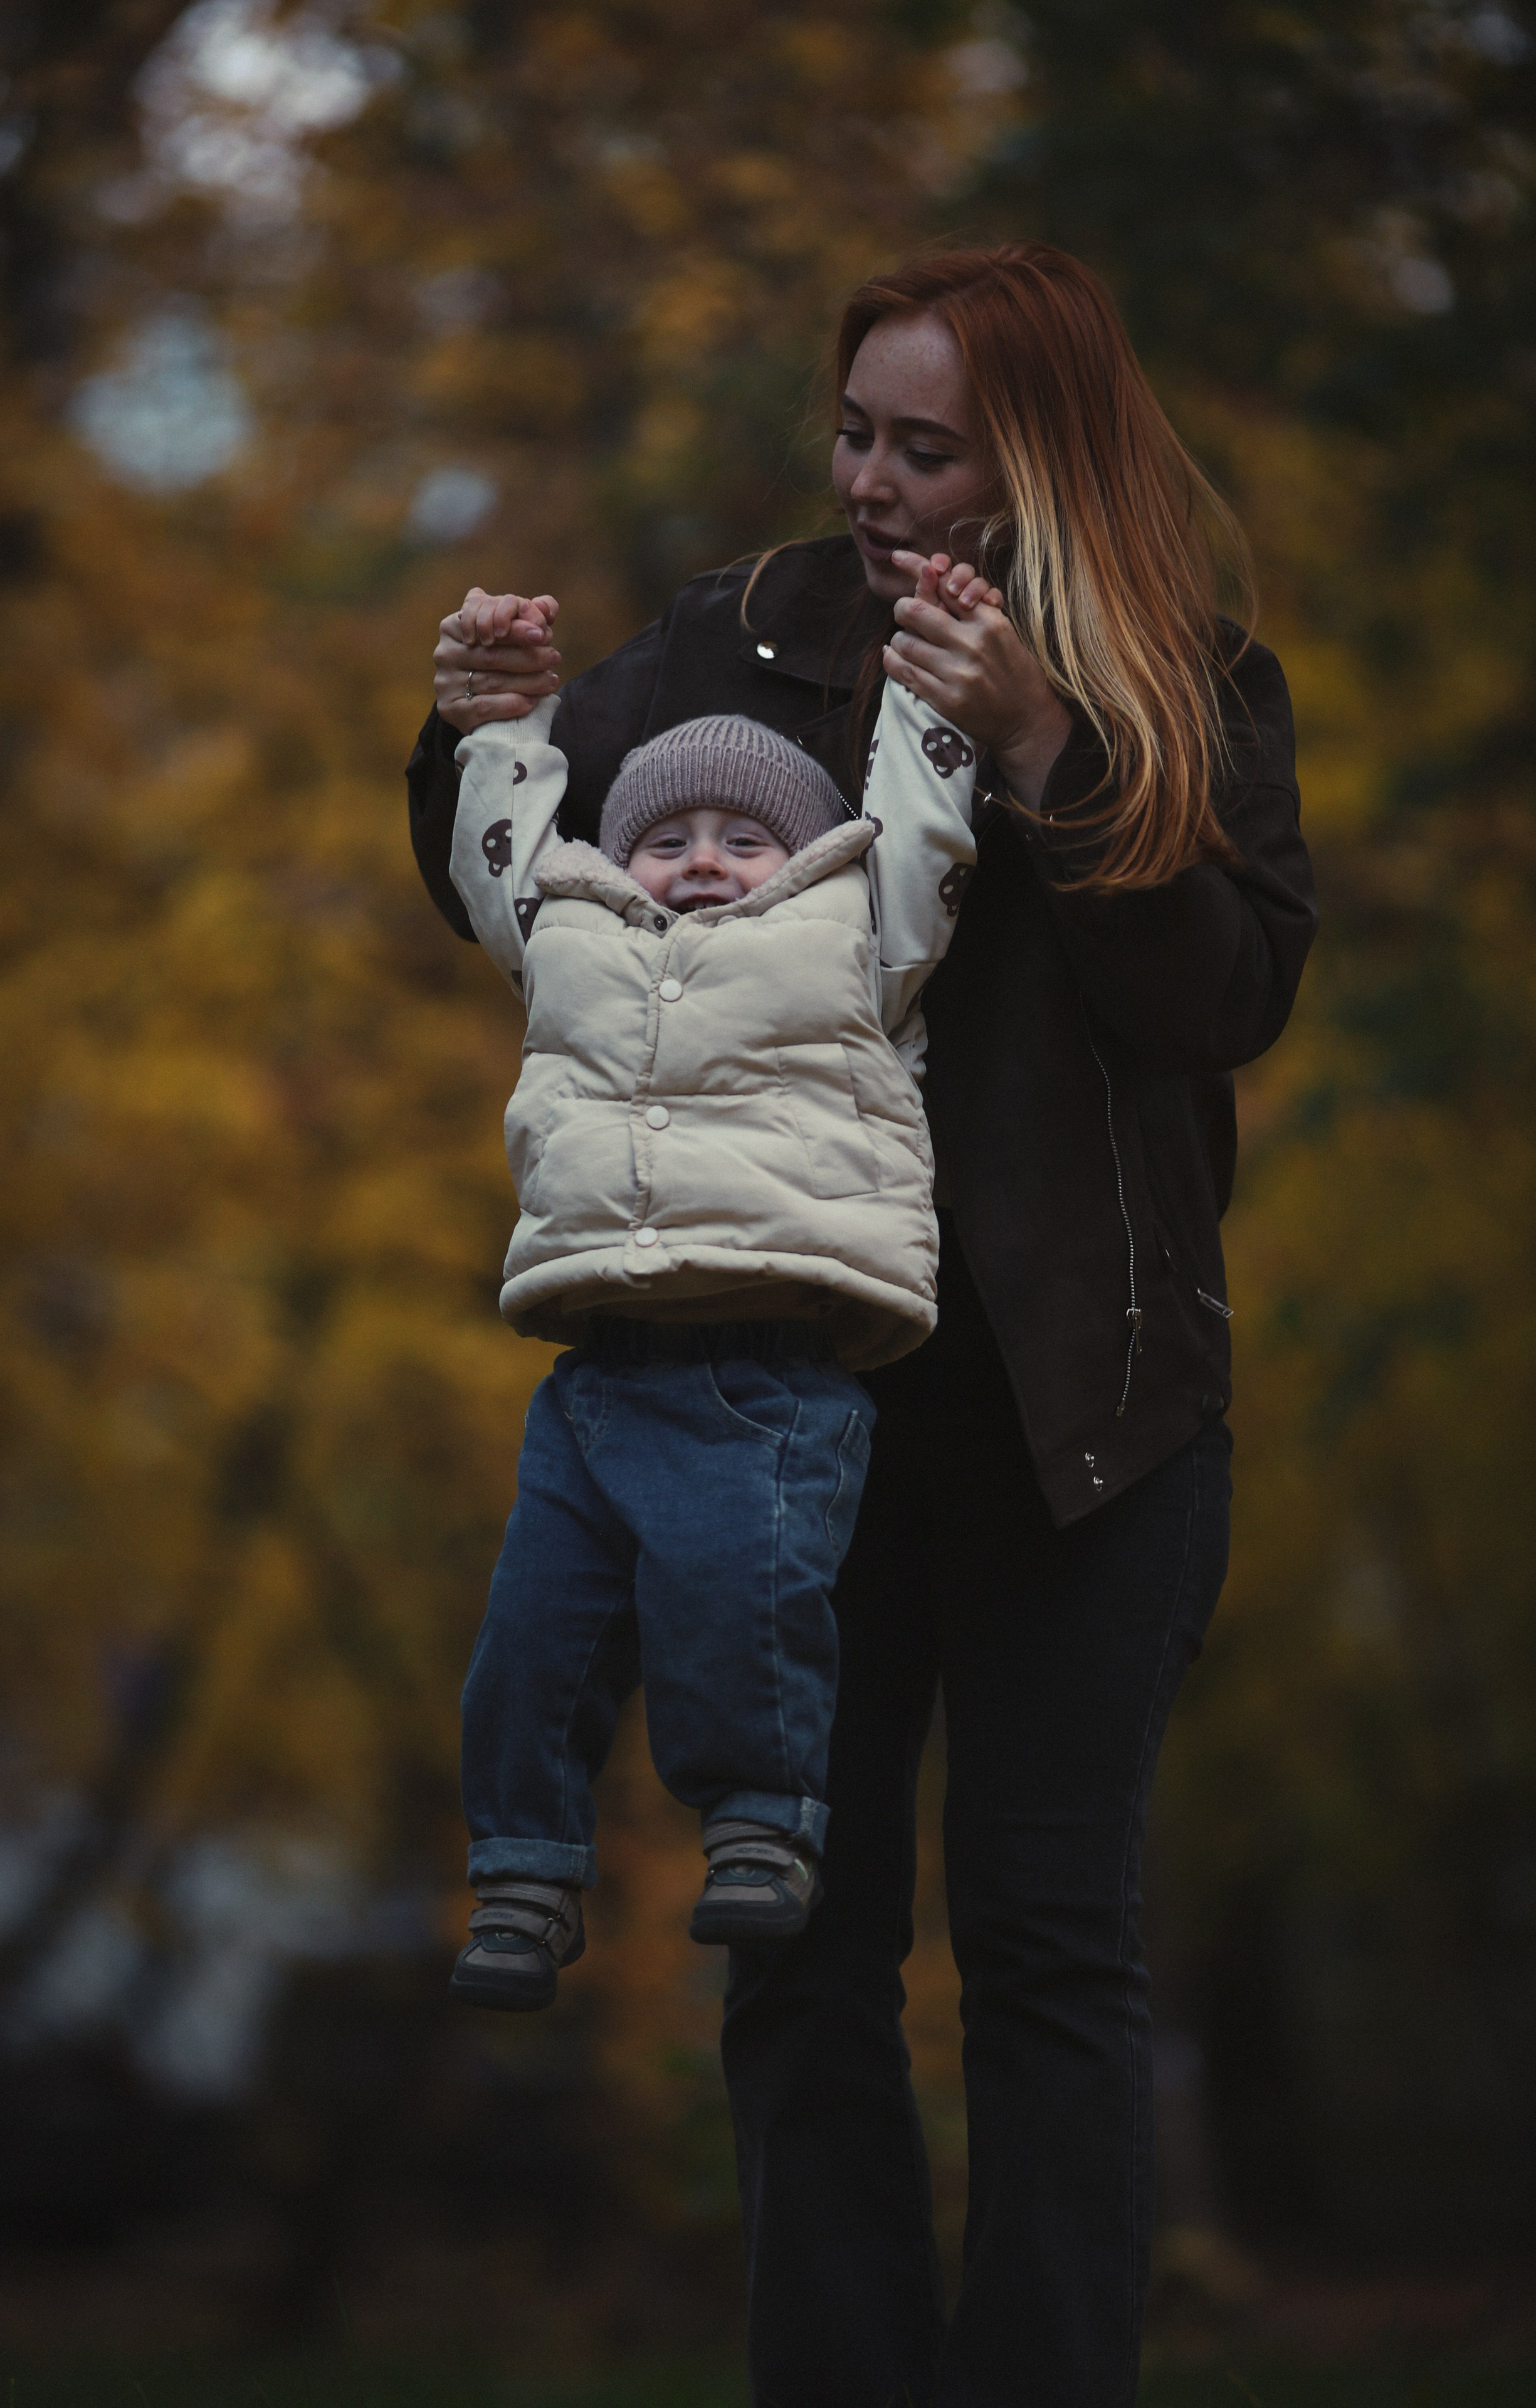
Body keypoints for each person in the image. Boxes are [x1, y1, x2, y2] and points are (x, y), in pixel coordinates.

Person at [407, 242, 1317, 2407]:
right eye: (859, 437)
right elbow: (522, 881)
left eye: (935, 451)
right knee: (800, 1960)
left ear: (1049, 459)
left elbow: (1225, 998)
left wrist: (1046, 753)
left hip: (1091, 1423)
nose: (881, 487)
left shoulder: (1187, 674)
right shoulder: (742, 634)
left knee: (1049, 1956)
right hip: (785, 1413)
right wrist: (465, 723)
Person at [444, 616, 985, 2010]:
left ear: (800, 859)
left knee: (733, 1602)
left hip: (763, 1360)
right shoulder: (575, 940)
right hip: (591, 1371)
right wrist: (505, 727)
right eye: (663, 836)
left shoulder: (850, 943)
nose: (697, 860)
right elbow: (494, 855)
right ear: (616, 860)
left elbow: (923, 831)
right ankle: (520, 1870)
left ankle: (759, 1820)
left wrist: (935, 685)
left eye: (741, 839)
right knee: (530, 1639)